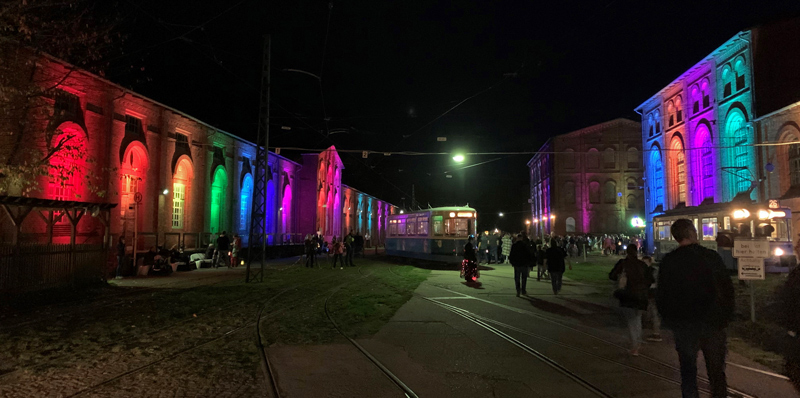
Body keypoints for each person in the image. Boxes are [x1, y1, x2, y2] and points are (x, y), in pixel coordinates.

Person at [657, 218, 735, 398]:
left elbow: (662, 296)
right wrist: (725, 317)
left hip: (684, 325)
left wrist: (670, 321)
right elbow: (727, 289)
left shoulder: (669, 261)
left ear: (676, 237)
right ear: (692, 233)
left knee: (688, 372)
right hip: (713, 323)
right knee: (716, 373)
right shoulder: (710, 257)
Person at [609, 245, 652, 356]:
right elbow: (650, 279)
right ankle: (637, 342)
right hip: (641, 297)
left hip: (627, 296)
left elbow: (612, 276)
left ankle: (635, 347)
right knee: (637, 320)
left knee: (631, 321)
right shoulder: (642, 264)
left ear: (627, 252)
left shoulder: (623, 263)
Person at [642, 255, 662, 342]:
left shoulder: (652, 271)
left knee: (653, 313)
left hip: (652, 294)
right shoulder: (651, 271)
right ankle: (654, 332)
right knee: (651, 313)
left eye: (645, 262)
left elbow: (655, 282)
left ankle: (656, 333)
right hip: (649, 294)